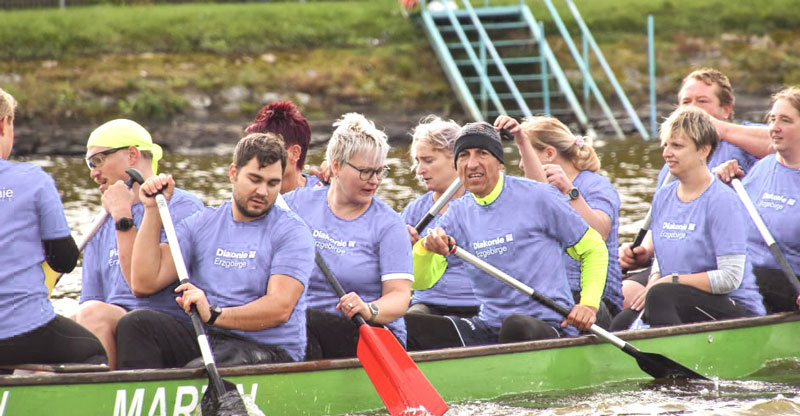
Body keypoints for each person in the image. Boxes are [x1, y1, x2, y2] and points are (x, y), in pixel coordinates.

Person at [115, 133, 315, 369]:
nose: (263, 191)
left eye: (272, 183)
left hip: (268, 349)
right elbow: (143, 283)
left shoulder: (292, 232)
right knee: (136, 323)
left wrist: (213, 314)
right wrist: (152, 211)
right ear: (233, 173)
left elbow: (279, 309)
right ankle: (141, 399)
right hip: (210, 338)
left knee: (202, 368)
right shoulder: (201, 223)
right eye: (255, 179)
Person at [410, 121, 608, 349]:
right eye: (464, 156)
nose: (472, 163)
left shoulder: (539, 196)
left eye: (482, 153)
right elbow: (422, 281)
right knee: (409, 324)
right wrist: (426, 249)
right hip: (488, 326)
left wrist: (589, 305)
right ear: (457, 166)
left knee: (515, 326)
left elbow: (593, 248)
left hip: (547, 324)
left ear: (499, 163)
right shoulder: (458, 212)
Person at [620, 68, 770, 306]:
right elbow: (666, 220)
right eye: (686, 102)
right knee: (624, 294)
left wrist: (718, 129)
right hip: (680, 259)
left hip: (728, 264)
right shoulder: (674, 163)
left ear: (726, 110)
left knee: (660, 296)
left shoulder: (745, 142)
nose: (692, 107)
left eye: (702, 101)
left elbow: (785, 141)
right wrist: (644, 251)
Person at [610, 107, 765, 331]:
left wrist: (670, 281)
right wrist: (655, 278)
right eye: (665, 145)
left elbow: (729, 277)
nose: (667, 153)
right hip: (673, 294)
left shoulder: (722, 200)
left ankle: (672, 363)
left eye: (677, 146)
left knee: (661, 295)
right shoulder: (663, 196)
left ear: (703, 150)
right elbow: (662, 260)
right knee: (619, 324)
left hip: (733, 307)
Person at [283, 113, 413, 359]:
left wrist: (368, 308)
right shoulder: (295, 205)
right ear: (336, 166)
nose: (374, 181)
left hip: (370, 333)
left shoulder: (388, 225)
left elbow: (399, 296)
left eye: (379, 172)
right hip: (301, 324)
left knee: (302, 320)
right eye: (365, 172)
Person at [75, 119, 203, 369]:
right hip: (111, 323)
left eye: (96, 161)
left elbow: (139, 284)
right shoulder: (98, 223)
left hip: (167, 327)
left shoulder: (183, 207)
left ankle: (103, 401)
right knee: (52, 325)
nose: (92, 172)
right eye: (88, 164)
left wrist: (123, 214)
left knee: (94, 314)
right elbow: (90, 300)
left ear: (132, 155)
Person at [0, 88, 107, 367]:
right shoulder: (34, 180)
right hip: (20, 328)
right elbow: (64, 258)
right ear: (4, 124)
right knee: (92, 353)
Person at [502, 115, 622, 325]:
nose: (521, 165)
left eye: (525, 154)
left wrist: (569, 192)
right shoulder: (537, 195)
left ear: (549, 153)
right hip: (553, 292)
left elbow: (600, 232)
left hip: (595, 299)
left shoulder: (596, 185)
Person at [715, 87, 800, 312]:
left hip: (788, 283)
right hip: (744, 273)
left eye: (785, 120)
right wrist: (721, 186)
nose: (774, 127)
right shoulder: (763, 166)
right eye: (772, 119)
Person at [400, 115, 479, 318]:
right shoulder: (414, 211)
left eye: (428, 160)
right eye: (418, 161)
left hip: (478, 305)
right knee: (413, 319)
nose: (419, 170)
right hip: (428, 304)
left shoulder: (483, 202)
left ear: (457, 159)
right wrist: (401, 246)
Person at [245, 100, 322, 192]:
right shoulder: (248, 198)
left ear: (295, 153)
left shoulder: (327, 192)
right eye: (253, 150)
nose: (256, 158)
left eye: (269, 149)